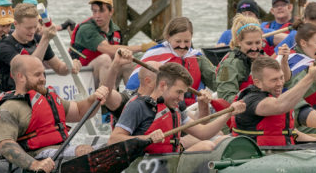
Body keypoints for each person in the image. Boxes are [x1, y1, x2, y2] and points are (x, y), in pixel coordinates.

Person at [0, 55, 109, 173]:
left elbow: (79, 111)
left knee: (109, 146)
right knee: (83, 151)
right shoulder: (8, 108)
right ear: (20, 77)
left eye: (44, 74)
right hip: (38, 157)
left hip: (60, 153)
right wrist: (35, 164)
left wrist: (94, 99)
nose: (43, 79)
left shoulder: (49, 99)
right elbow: (5, 145)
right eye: (37, 75)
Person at [110, 62, 245, 153]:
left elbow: (204, 132)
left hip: (169, 159)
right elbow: (114, 140)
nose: (181, 99)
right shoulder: (137, 106)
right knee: (206, 146)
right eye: (179, 92)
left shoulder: (174, 108)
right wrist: (147, 138)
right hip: (145, 165)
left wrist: (228, 113)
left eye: (183, 93)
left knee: (222, 140)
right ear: (163, 86)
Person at [231, 56, 316, 146]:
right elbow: (280, 106)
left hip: (282, 152)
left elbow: (292, 134)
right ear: (258, 82)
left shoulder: (274, 95)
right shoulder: (251, 100)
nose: (280, 83)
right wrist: (310, 77)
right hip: (259, 156)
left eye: (281, 78)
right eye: (274, 80)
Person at [125, 16, 217, 104]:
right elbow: (134, 89)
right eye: (178, 41)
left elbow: (217, 83)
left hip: (193, 108)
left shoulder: (198, 57)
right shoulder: (155, 54)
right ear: (168, 37)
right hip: (162, 107)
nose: (182, 46)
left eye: (186, 41)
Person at [70, 0, 146, 87]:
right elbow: (109, 49)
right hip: (82, 79)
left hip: (105, 77)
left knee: (127, 62)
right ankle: (108, 99)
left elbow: (119, 54)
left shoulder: (116, 31)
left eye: (101, 11)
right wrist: (143, 47)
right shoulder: (86, 29)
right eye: (94, 11)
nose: (97, 15)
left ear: (111, 11)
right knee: (105, 59)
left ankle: (134, 98)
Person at [0, 3, 79, 91]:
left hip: (37, 95)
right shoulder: (4, 46)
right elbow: (29, 70)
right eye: (28, 28)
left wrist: (70, 66)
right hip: (13, 97)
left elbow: (59, 68)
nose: (32, 31)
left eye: (35, 27)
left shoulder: (38, 40)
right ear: (15, 24)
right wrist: (45, 39)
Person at [216, 13, 292, 102]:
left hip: (266, 103)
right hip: (245, 110)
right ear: (238, 41)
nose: (254, 48)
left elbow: (286, 82)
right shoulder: (229, 65)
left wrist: (284, 62)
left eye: (257, 43)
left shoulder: (262, 57)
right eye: (249, 43)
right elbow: (226, 98)